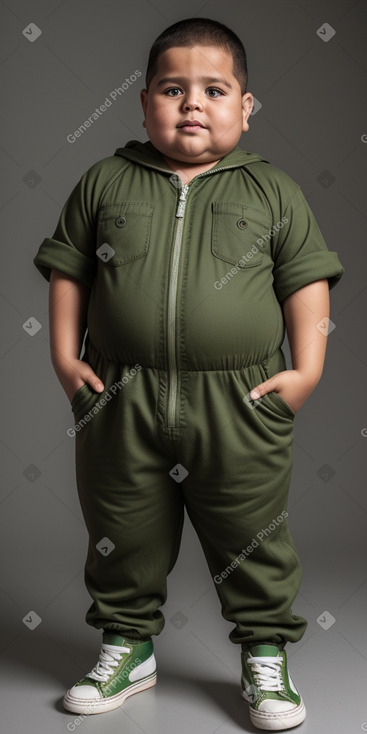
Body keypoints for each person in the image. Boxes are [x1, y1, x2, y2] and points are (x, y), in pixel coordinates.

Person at [33, 17, 344, 731]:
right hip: (120, 395)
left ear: (245, 105)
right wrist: (62, 357)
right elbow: (67, 270)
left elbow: (306, 284)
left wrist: (307, 371)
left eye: (213, 89)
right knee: (121, 525)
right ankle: (126, 643)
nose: (192, 104)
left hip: (238, 401)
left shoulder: (274, 192)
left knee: (251, 533)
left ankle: (264, 652)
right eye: (172, 90)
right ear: (144, 104)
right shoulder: (105, 181)